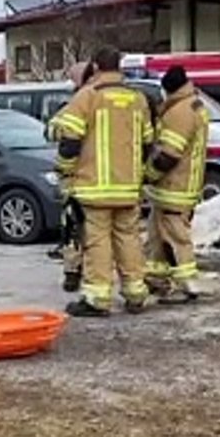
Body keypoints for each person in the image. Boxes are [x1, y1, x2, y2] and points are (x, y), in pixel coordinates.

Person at [51, 46, 154, 318]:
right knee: (128, 238)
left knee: (98, 242)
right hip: (128, 187)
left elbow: (70, 141)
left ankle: (98, 298)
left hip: (94, 186)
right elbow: (147, 142)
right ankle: (135, 293)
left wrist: (64, 169)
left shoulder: (86, 97)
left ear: (95, 67)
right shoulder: (138, 99)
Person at [144, 65, 211, 304]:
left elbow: (168, 156)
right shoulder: (194, 104)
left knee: (175, 237)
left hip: (175, 186)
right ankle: (157, 279)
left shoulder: (179, 112)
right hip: (180, 185)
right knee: (157, 235)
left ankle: (188, 283)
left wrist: (147, 174)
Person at [47, 61, 97, 292]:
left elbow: (52, 131)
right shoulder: (109, 104)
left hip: (77, 177)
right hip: (98, 178)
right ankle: (82, 271)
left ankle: (74, 271)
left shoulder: (77, 104)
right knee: (90, 230)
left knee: (74, 227)